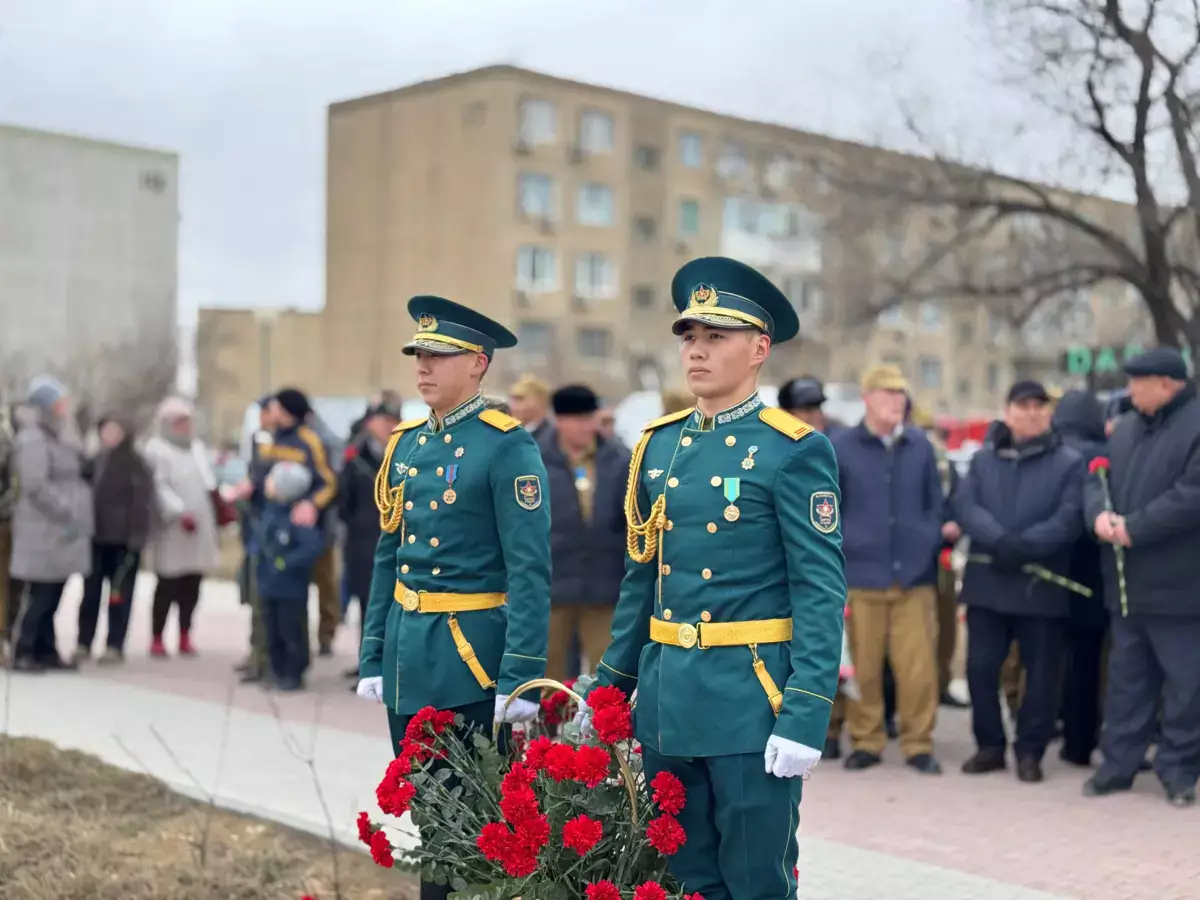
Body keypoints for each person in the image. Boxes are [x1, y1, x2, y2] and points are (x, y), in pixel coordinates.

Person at [576, 258, 844, 900]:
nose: (695, 350)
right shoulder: (658, 446)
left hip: (752, 700)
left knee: (756, 879)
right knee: (686, 877)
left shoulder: (793, 449)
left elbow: (820, 589)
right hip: (671, 696)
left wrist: (807, 712)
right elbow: (641, 580)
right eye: (689, 337)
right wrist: (610, 686)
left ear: (759, 349)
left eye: (715, 337)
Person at [356, 296, 551, 900]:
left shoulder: (505, 445)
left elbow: (530, 571)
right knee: (429, 816)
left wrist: (518, 677)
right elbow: (388, 557)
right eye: (419, 354)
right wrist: (372, 653)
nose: (423, 366)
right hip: (410, 656)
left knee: (472, 826)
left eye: (439, 356)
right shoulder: (408, 445)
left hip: (470, 659)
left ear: (478, 364)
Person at [1084, 348, 1200, 807]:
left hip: (1181, 588)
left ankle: (1178, 770)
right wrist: (1100, 516)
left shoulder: (1195, 426)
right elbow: (1096, 476)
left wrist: (1136, 527)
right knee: (1127, 683)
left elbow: (1192, 496)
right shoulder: (1126, 428)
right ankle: (1117, 767)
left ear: (1168, 384)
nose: (1130, 390)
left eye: (1139, 381)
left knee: (1185, 687)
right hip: (1126, 586)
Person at [955, 380, 1085, 783]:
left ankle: (1030, 751)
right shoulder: (982, 460)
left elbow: (1069, 517)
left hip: (1040, 587)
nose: (1032, 413)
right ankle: (989, 745)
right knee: (979, 668)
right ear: (1006, 411)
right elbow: (964, 504)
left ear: (1049, 413)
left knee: (1041, 675)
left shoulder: (1069, 462)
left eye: (1039, 406)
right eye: (1023, 405)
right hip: (988, 584)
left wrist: (1025, 546)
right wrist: (999, 540)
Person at [831, 366, 945, 774]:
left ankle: (918, 743)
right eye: (888, 395)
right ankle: (867, 740)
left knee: (918, 670)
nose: (897, 402)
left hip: (913, 580)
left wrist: (926, 541)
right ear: (867, 397)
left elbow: (934, 503)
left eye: (901, 396)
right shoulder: (842, 446)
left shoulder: (920, 445)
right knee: (863, 670)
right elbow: (830, 510)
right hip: (860, 579)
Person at [538, 384, 631, 681]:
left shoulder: (618, 458)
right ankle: (550, 728)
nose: (586, 427)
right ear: (560, 420)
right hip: (553, 586)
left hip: (604, 587)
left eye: (590, 418)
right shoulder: (536, 458)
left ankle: (599, 728)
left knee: (605, 674)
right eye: (577, 419)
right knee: (550, 678)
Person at [9, 377, 92, 672]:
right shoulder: (33, 438)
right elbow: (35, 484)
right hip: (43, 529)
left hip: (61, 531)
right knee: (41, 593)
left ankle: (46, 649)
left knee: (55, 592)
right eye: (59, 403)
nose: (64, 408)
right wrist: (66, 508)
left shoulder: (59, 434)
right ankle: (24, 649)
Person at [1051, 390, 1110, 767]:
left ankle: (1053, 730)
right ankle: (1081, 741)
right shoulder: (1104, 456)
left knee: (1046, 661)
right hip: (1096, 576)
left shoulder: (1054, 454)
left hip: (1049, 571)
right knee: (1090, 664)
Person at [143, 397, 221, 657]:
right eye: (179, 422)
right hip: (173, 528)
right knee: (168, 583)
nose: (185, 427)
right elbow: (158, 486)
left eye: (187, 422)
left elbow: (206, 480)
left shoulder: (196, 448)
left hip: (200, 525)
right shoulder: (156, 450)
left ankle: (185, 633)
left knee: (192, 583)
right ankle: (157, 636)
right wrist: (178, 511)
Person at [74, 414, 154, 664]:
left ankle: (114, 644)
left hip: (124, 541)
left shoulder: (136, 464)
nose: (109, 436)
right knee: (90, 594)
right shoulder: (94, 461)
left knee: (119, 595)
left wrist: (137, 538)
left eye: (114, 431)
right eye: (105, 430)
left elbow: (143, 504)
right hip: (95, 538)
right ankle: (84, 641)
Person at [338, 397, 402, 683]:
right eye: (381, 420)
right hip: (362, 542)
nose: (386, 426)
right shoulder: (356, 456)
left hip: (397, 541)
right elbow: (343, 500)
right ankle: (369, 662)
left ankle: (393, 665)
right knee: (367, 603)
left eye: (391, 420)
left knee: (395, 605)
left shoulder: (405, 453)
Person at [253, 461, 325, 691]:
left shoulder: (297, 517)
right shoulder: (270, 510)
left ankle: (294, 671)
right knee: (272, 629)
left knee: (291, 628)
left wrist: (286, 563)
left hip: (291, 588)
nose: (267, 482)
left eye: (272, 479)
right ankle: (276, 669)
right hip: (268, 585)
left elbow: (312, 546)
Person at [508, 374, 552, 440]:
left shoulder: (552, 440)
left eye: (520, 399)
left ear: (540, 402)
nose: (512, 405)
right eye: (512, 399)